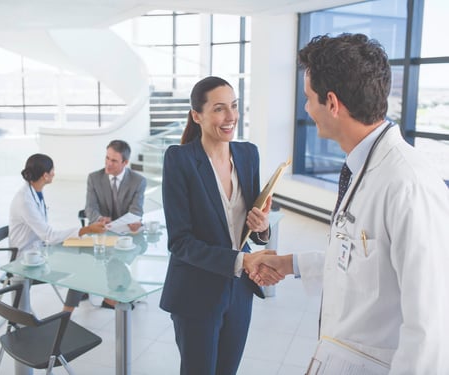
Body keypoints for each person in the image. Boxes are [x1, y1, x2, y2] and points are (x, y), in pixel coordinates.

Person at [248, 33, 449, 373]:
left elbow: (431, 328)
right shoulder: (364, 167)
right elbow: (360, 261)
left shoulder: (408, 184)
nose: (306, 109)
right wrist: (288, 263)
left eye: (308, 98)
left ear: (332, 103)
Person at [159, 76, 279, 375]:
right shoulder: (180, 160)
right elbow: (180, 242)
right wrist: (242, 259)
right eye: (219, 109)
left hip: (239, 291)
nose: (231, 117)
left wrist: (263, 226)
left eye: (235, 106)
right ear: (196, 115)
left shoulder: (248, 154)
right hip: (196, 291)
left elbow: (252, 224)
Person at [8, 153, 106, 375]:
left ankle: (79, 304)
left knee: (81, 263)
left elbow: (45, 235)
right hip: (24, 262)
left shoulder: (35, 192)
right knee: (22, 316)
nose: (54, 174)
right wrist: (85, 229)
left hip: (39, 253)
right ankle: (37, 345)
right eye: (52, 170)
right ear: (45, 175)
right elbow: (48, 235)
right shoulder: (25, 199)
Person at [64, 139, 147, 311]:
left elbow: (136, 210)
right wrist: (99, 218)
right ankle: (106, 294)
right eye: (107, 158)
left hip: (125, 235)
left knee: (126, 254)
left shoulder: (138, 181)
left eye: (114, 160)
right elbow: (90, 207)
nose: (108, 164)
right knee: (86, 262)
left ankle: (116, 294)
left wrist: (134, 222)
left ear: (125, 162)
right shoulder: (94, 178)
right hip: (100, 233)